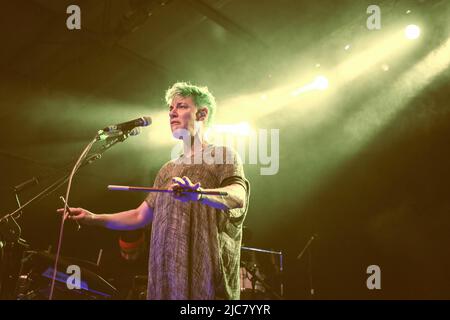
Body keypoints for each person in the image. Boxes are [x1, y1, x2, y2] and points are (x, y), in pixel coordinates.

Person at [58, 82, 250, 300]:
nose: (172, 113)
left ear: (202, 113)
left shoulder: (223, 155)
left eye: (181, 106)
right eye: (170, 108)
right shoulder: (166, 170)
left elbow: (238, 195)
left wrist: (200, 195)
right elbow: (140, 215)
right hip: (166, 280)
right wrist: (93, 218)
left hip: (205, 283)